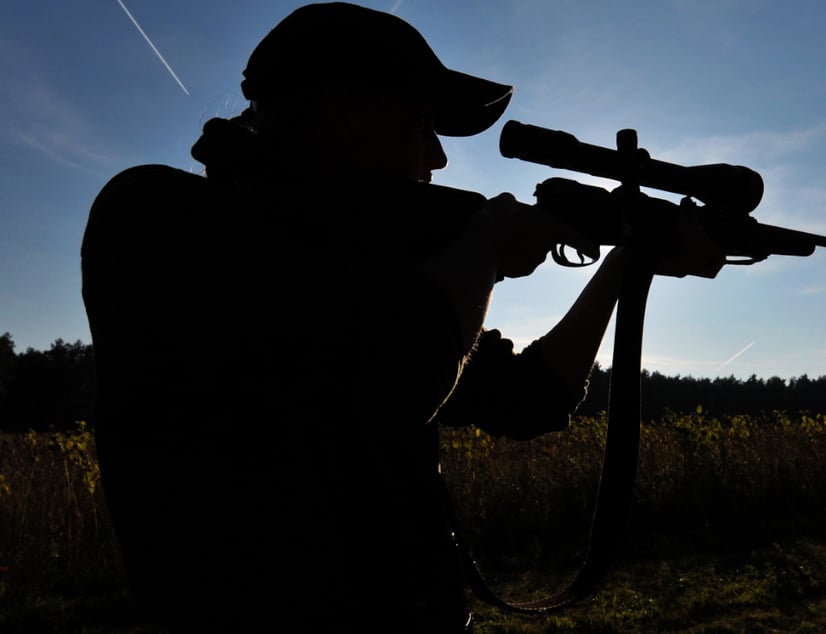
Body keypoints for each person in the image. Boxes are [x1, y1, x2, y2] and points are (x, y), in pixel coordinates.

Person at [81, 3, 723, 632]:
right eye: (423, 124)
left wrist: (624, 265)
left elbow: (530, 398)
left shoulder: (374, 268)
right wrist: (483, 249)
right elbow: (386, 386)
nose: (438, 158)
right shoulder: (156, 215)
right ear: (341, 112)